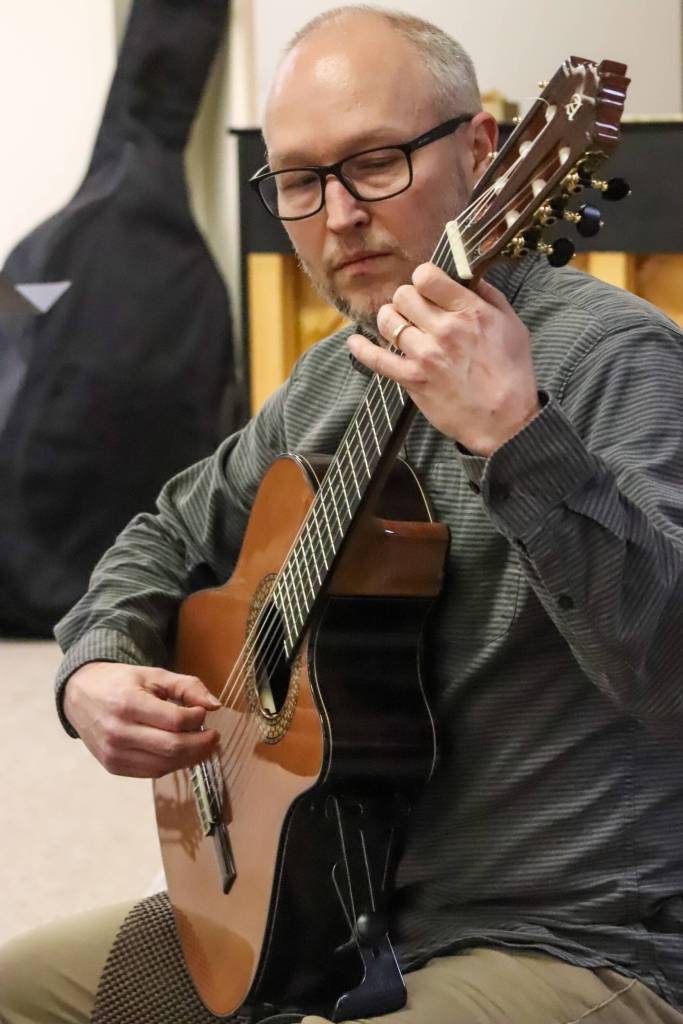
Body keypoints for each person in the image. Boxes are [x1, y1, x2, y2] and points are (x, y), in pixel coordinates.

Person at [2, 6, 683, 1023]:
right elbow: (167, 529)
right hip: (315, 902)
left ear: (481, 151)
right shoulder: (331, 377)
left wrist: (516, 435)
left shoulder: (613, 359)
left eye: (373, 163)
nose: (337, 215)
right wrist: (92, 665)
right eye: (298, 181)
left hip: (566, 935)